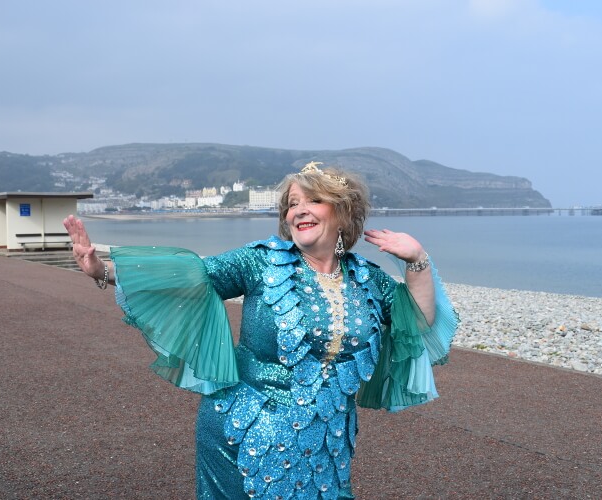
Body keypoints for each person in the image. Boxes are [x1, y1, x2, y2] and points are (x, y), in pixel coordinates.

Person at [63, 162, 458, 499]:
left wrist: (417, 259)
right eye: (291, 204)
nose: (298, 211)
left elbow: (418, 320)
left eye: (312, 200)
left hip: (327, 440)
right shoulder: (260, 262)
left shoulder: (369, 280)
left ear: (343, 211)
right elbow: (193, 277)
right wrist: (104, 270)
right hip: (244, 428)